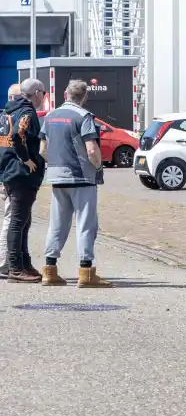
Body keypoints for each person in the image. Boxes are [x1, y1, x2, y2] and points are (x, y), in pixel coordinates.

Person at [40, 79, 110, 287]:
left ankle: (49, 269)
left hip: (56, 175)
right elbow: (91, 150)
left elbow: (43, 150)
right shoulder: (84, 117)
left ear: (65, 94)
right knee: (86, 224)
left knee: (57, 223)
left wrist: (55, 164)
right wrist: (97, 167)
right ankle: (86, 272)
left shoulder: (50, 117)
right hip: (81, 177)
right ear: (84, 97)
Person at [0, 78, 47, 283]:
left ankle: (24, 263)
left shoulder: (8, 112)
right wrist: (27, 159)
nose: (44, 97)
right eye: (43, 93)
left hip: (9, 171)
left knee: (23, 221)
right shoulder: (27, 112)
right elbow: (19, 136)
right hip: (20, 174)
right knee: (18, 222)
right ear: (36, 93)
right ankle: (15, 268)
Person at [0, 83, 20, 278]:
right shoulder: (14, 117)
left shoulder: (1, 116)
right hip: (11, 173)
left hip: (4, 172)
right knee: (11, 218)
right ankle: (4, 262)